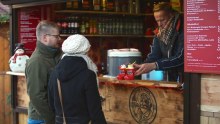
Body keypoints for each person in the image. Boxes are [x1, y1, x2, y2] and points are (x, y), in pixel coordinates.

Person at [48, 34, 107, 124]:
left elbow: (51, 104)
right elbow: (95, 110)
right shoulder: (88, 75)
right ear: (85, 50)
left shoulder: (54, 73)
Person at [134, 2, 184, 82]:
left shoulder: (183, 29)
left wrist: (155, 65)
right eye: (157, 21)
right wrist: (142, 66)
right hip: (170, 78)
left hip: (185, 79)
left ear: (171, 15)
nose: (160, 24)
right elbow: (154, 56)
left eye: (162, 20)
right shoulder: (159, 33)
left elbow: (181, 58)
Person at [25, 20, 62, 124]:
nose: (60, 39)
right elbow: (36, 96)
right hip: (41, 119)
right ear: (45, 38)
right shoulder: (36, 61)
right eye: (56, 36)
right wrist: (52, 119)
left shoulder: (56, 54)